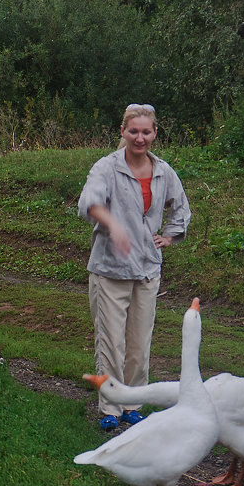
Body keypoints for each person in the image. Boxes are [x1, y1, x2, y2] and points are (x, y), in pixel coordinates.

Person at [78, 103, 191, 431]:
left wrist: (169, 236)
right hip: (110, 268)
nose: (139, 138)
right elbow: (90, 202)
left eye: (146, 132)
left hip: (146, 268)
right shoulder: (107, 168)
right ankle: (110, 407)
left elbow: (180, 207)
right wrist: (113, 225)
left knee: (139, 343)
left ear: (155, 133)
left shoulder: (163, 171)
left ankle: (132, 404)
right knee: (111, 342)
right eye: (133, 131)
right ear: (123, 132)